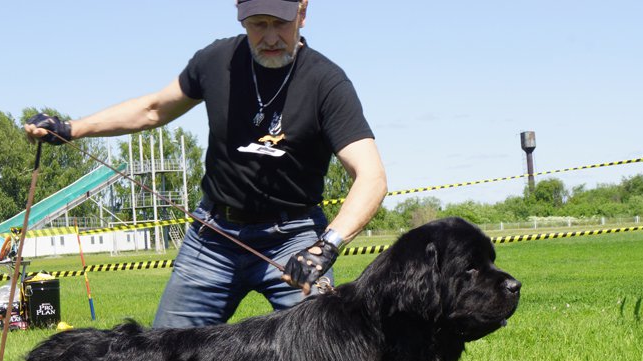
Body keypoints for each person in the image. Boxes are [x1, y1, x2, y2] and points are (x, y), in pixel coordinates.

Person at [25, 0, 387, 328]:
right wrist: (72, 128)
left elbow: (371, 177)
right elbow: (153, 109)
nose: (271, 36)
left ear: (302, 13)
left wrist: (325, 247)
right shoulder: (216, 62)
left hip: (293, 240)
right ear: (240, 16)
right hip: (213, 238)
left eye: (280, 23)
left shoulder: (327, 82)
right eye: (259, 24)